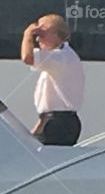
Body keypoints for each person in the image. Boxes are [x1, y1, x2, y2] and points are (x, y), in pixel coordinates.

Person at [20, 14, 85, 146]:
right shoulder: (61, 56)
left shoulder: (61, 57)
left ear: (56, 35)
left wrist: (27, 34)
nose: (37, 39)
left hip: (59, 123)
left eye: (42, 34)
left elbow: (27, 57)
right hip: (53, 120)